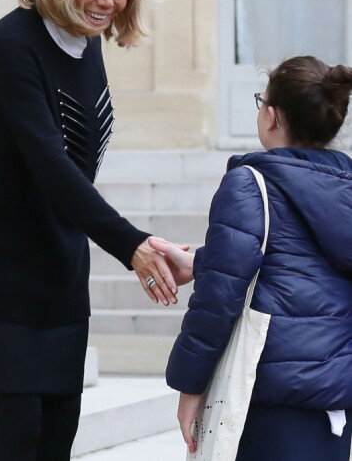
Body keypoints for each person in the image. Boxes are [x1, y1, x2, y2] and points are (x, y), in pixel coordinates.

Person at [0, 0, 180, 461]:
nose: (109, 1)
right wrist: (132, 245)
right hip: (2, 268)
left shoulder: (86, 41)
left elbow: (76, 164)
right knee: (21, 434)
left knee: (59, 434)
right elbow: (49, 165)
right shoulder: (11, 43)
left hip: (60, 264)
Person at [150, 56, 352, 460]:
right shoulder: (344, 189)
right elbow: (299, 261)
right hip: (334, 400)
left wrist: (190, 385)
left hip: (267, 397)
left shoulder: (250, 182)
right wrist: (203, 262)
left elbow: (218, 300)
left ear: (272, 116)